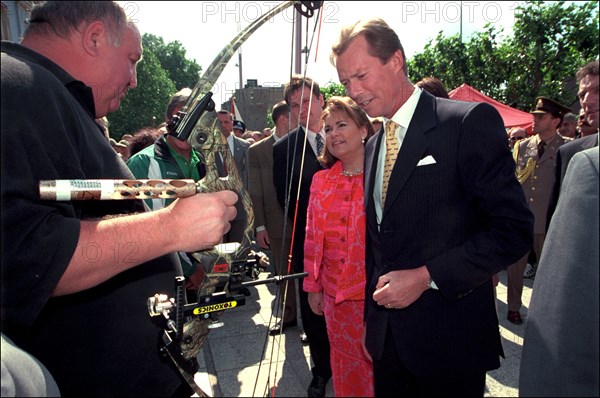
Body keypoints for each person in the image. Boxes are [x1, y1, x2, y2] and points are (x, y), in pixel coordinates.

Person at [0, 2, 237, 396]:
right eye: (132, 60)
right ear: (93, 37)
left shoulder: (52, 96)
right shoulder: (15, 85)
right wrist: (171, 227)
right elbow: (26, 258)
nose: (134, 80)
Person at [330, 18, 533, 396]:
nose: (354, 92)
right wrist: (372, 326)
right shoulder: (374, 144)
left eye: (361, 76)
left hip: (450, 344)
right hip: (388, 346)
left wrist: (427, 276)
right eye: (345, 83)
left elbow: (513, 230)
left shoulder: (465, 122)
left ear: (396, 60)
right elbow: (379, 245)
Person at [304, 96, 375, 397]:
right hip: (333, 300)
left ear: (363, 130)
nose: (333, 133)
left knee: (376, 367)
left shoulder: (382, 178)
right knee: (344, 366)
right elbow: (311, 236)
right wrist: (313, 286)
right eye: (328, 128)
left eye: (342, 125)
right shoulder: (320, 181)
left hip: (373, 298)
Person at [519, 146, 599, 397]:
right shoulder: (590, 164)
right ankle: (513, 307)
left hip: (544, 222)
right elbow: (562, 322)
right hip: (531, 221)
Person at [272, 75, 332, 397]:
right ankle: (321, 369)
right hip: (309, 246)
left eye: (308, 101)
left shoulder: (348, 134)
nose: (303, 109)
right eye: (296, 105)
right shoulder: (284, 150)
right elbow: (286, 201)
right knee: (313, 310)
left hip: (352, 244)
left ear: (322, 99)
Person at [127, 88, 208, 289]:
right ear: (167, 119)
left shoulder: (203, 162)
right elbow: (143, 229)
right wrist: (191, 270)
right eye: (179, 118)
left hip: (198, 274)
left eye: (193, 119)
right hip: (158, 276)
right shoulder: (144, 162)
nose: (185, 126)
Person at [509, 97, 571, 322]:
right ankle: (513, 306)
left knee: (548, 270)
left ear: (555, 121)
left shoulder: (566, 148)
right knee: (515, 268)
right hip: (522, 219)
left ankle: (544, 310)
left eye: (541, 117)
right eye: (534, 115)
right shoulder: (522, 146)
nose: (534, 119)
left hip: (549, 219)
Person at [248, 101, 297, 331]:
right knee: (284, 273)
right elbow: (255, 192)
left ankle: (311, 319)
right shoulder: (257, 151)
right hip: (276, 222)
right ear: (283, 119)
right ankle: (289, 316)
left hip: (305, 220)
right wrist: (260, 227)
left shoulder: (304, 143)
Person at [546, 60, 599, 231]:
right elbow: (559, 225)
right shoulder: (569, 153)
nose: (587, 101)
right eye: (582, 95)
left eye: (598, 91)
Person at [217, 111, 250, 191]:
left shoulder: (244, 145)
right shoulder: (207, 147)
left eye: (226, 122)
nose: (223, 125)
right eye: (219, 122)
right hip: (218, 195)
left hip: (240, 194)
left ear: (232, 124)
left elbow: (248, 173)